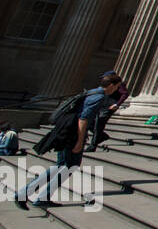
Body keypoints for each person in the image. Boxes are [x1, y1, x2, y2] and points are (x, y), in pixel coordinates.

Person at [17, 74, 119, 209]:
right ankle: (40, 196)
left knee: (61, 165)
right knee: (71, 165)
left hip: (65, 132)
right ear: (111, 85)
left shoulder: (91, 92)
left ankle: (26, 193)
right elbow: (83, 119)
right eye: (117, 87)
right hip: (73, 135)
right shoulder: (99, 97)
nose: (116, 90)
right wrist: (80, 141)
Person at [85, 71, 128, 152]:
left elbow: (125, 93)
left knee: (99, 125)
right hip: (102, 105)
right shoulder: (107, 84)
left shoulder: (118, 84)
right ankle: (102, 136)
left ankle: (93, 145)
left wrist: (117, 104)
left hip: (109, 107)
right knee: (92, 123)